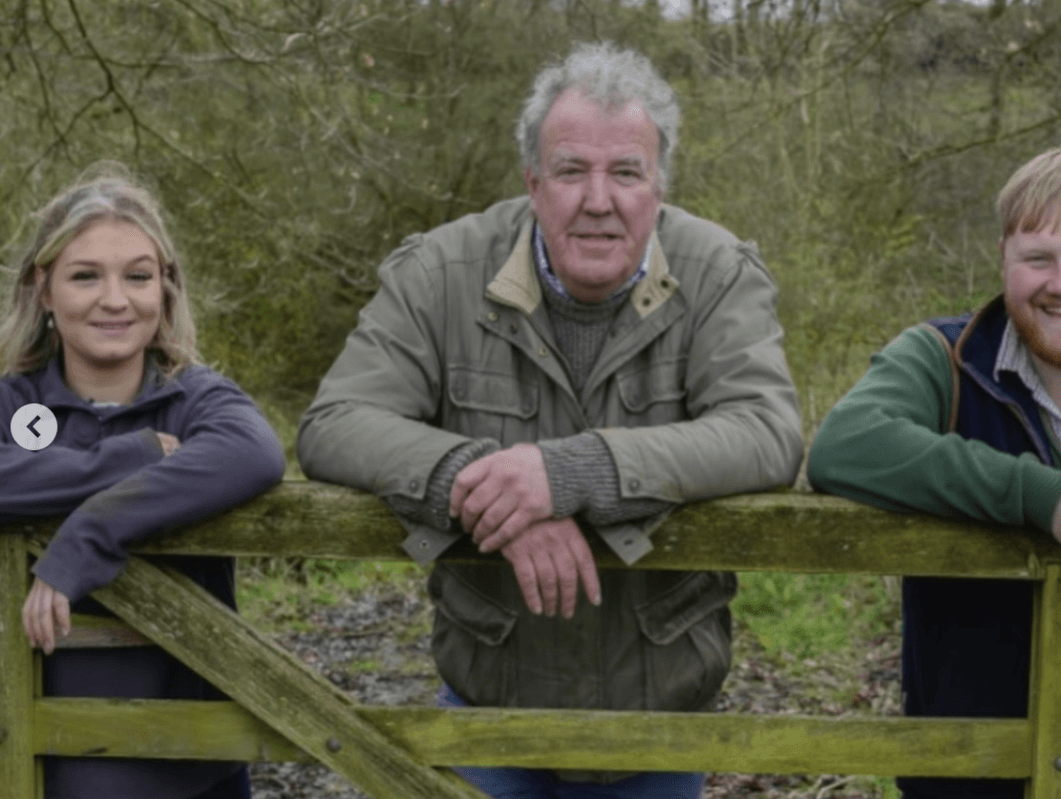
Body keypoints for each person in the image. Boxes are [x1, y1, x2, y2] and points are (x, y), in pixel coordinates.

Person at [297, 41, 803, 799]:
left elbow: (767, 430)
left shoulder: (718, 272)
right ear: (534, 182)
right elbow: (336, 421)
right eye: (571, 170)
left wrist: (571, 473)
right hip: (488, 694)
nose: (598, 199)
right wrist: (484, 482)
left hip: (658, 709)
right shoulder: (439, 273)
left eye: (626, 172)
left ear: (658, 184)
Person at [807, 145, 1061, 799]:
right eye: (1038, 257)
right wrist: (1045, 496)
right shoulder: (941, 356)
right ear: (1004, 259)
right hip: (965, 773)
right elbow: (844, 445)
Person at [0, 163, 286, 799]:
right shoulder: (14, 404)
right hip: (40, 748)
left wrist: (90, 533)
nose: (114, 299)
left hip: (191, 751)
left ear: (165, 288)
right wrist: (128, 460)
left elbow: (255, 452)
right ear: (44, 290)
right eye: (85, 276)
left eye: (137, 276)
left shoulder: (193, 399)